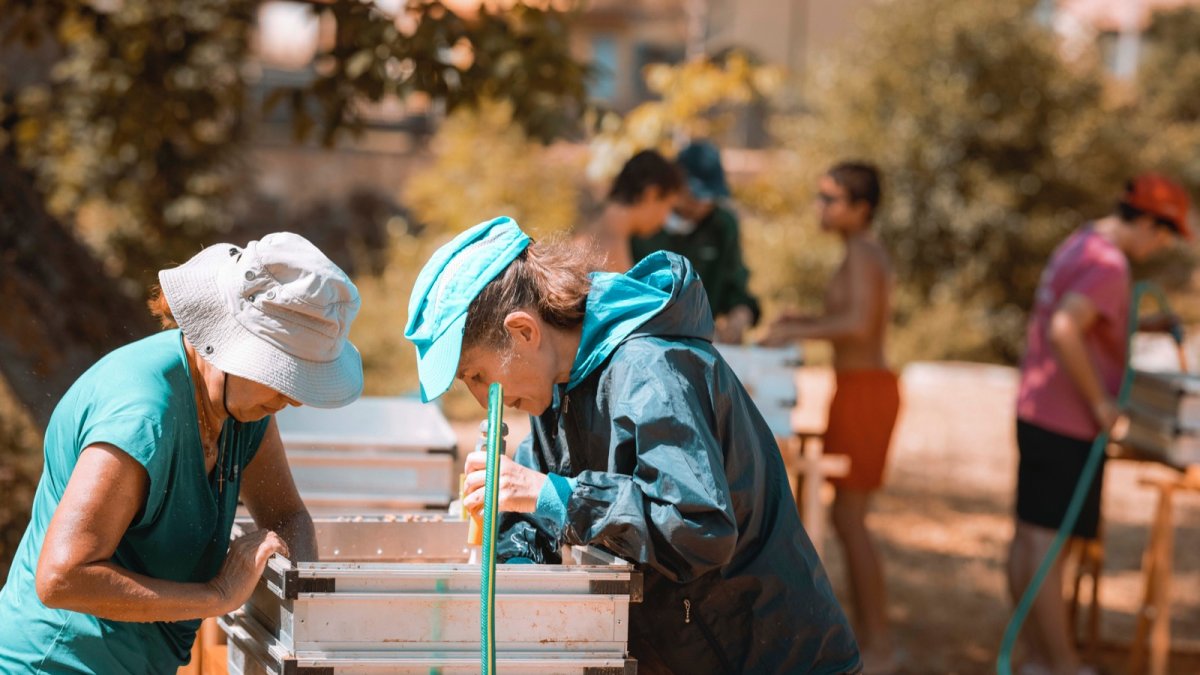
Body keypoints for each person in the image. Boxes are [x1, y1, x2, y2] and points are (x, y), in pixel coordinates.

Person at [405, 216, 861, 674]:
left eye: (477, 376)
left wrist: (555, 496)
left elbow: (696, 528)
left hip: (768, 655)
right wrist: (515, 548)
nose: (482, 399)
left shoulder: (651, 369)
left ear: (524, 331)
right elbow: (539, 514)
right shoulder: (555, 394)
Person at [0, 233, 364, 673]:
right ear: (228, 344)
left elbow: (286, 516)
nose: (296, 398)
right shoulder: (142, 415)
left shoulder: (244, 414)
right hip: (55, 663)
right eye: (284, 372)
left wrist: (306, 613)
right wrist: (217, 596)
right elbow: (62, 578)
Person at [1007, 173, 1190, 675]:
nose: (1162, 246)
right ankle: (1062, 664)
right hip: (1068, 420)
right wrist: (1101, 404)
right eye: (1165, 234)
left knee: (1027, 538)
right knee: (1047, 547)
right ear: (1151, 222)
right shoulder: (1110, 264)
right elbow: (1067, 326)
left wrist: (1145, 324)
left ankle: (1037, 659)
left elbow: (1087, 317)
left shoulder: (1082, 242)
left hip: (1036, 408)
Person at [759, 161, 899, 672]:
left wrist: (799, 331)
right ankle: (870, 637)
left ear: (861, 208)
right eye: (820, 196)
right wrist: (802, 320)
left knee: (851, 519)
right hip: (852, 387)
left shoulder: (864, 251)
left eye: (832, 198)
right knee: (844, 518)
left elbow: (860, 325)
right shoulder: (855, 251)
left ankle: (881, 644)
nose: (821, 206)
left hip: (869, 391)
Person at [631, 140, 760, 343]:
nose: (701, 204)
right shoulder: (643, 222)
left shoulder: (721, 226)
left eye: (710, 197)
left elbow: (734, 286)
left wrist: (740, 316)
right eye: (694, 194)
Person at [575, 149, 683, 273]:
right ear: (651, 194)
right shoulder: (609, 247)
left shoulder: (595, 225)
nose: (665, 220)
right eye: (668, 207)